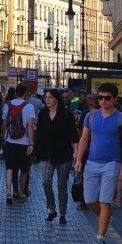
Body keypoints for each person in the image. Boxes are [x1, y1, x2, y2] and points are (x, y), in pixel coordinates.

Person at [74, 83, 122, 244]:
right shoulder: (90, 117)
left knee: (105, 200)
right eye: (100, 97)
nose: (103, 101)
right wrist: (79, 159)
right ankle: (106, 218)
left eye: (107, 98)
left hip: (112, 163)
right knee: (90, 200)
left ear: (114, 99)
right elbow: (84, 139)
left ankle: (100, 236)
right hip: (91, 162)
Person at [33, 88, 77, 223]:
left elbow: (73, 135)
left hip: (64, 155)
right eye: (45, 98)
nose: (47, 100)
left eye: (50, 97)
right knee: (46, 182)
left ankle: (62, 214)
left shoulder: (67, 114)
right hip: (47, 154)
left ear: (56, 99)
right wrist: (35, 149)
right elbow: (39, 134)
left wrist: (76, 153)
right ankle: (52, 209)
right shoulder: (43, 114)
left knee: (62, 185)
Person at [2, 84, 33, 201]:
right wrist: (31, 143)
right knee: (24, 170)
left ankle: (9, 193)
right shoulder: (29, 106)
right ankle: (20, 192)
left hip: (10, 141)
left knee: (9, 168)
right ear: (25, 93)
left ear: (16, 92)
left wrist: (3, 137)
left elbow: (5, 123)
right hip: (24, 144)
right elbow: (30, 126)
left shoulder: (8, 105)